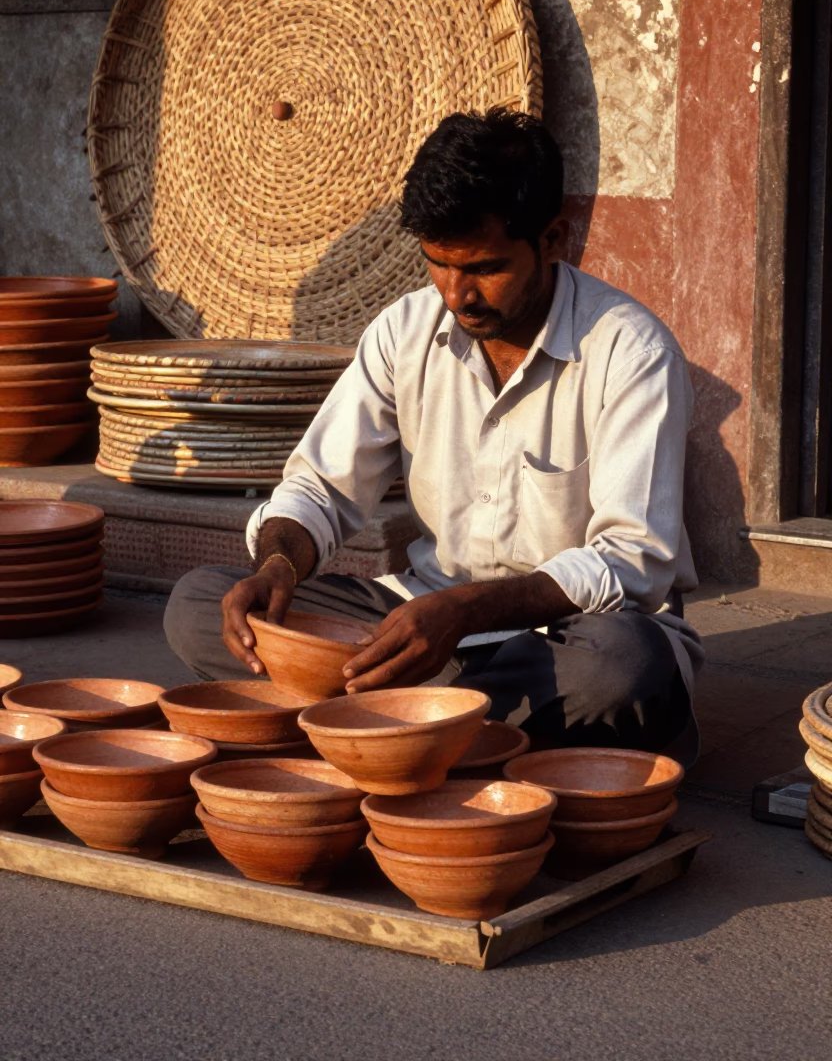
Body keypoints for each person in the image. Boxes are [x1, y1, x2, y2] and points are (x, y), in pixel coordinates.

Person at [165, 108, 702, 765]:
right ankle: (447, 726)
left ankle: (383, 718)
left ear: (554, 239)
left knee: (624, 671)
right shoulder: (403, 331)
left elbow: (633, 562)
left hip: (563, 637)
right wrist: (278, 565)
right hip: (417, 617)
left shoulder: (632, 351)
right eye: (438, 265)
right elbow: (320, 488)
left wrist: (464, 612)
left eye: (484, 267)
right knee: (200, 603)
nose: (457, 295)